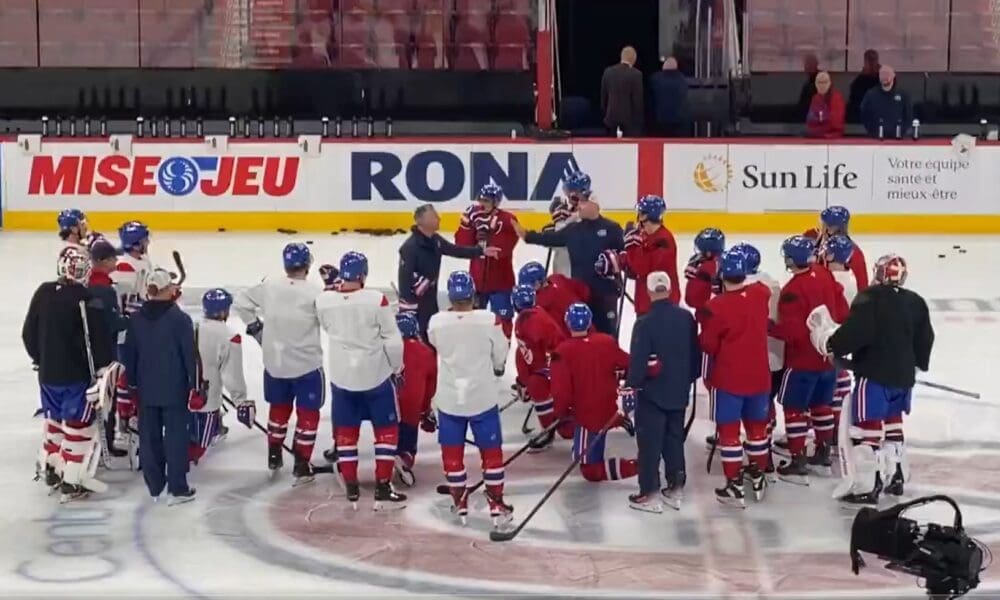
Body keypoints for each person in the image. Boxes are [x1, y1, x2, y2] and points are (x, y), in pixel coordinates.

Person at [809, 254, 934, 505]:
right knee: (893, 423)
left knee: (869, 428)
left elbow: (855, 333)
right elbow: (926, 338)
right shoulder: (915, 301)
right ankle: (895, 475)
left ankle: (869, 484)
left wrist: (832, 344)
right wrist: (917, 364)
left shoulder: (870, 299)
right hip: (903, 377)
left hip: (874, 375)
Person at [316, 251, 406, 509]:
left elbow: (327, 325)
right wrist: (397, 368)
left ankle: (352, 486)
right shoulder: (376, 300)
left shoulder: (324, 301)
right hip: (375, 375)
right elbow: (392, 339)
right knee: (386, 432)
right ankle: (382, 486)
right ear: (364, 274)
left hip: (343, 376)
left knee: (346, 432)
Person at [23, 247, 114, 501]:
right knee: (78, 427)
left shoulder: (43, 292)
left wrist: (40, 359)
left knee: (53, 421)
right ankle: (71, 479)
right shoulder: (86, 299)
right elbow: (97, 341)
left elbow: (28, 333)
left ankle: (51, 467)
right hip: (76, 378)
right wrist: (102, 367)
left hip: (47, 375)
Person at [233, 243, 324, 485]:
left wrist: (255, 327)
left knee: (279, 410)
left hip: (275, 363)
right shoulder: (315, 292)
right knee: (308, 415)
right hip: (306, 365)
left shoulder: (269, 286)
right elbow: (331, 320)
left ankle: (274, 455)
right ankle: (302, 464)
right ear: (308, 265)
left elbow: (241, 301)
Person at [428, 271, 512, 528]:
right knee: (491, 453)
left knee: (452, 453)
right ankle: (496, 503)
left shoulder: (436, 322)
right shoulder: (489, 320)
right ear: (474, 295)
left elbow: (436, 345)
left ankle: (459, 500)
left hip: (451, 398)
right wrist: (497, 367)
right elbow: (501, 351)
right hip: (482, 396)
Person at [769, 235, 848, 484]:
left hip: (802, 362)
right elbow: (844, 310)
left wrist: (766, 326)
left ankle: (797, 459)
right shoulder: (825, 275)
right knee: (822, 406)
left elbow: (792, 333)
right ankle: (823, 452)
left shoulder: (792, 290)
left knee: (794, 410)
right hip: (829, 359)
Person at [699, 251, 772, 507]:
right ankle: (758, 474)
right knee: (757, 430)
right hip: (760, 377)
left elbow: (708, 345)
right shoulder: (760, 294)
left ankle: (734, 485)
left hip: (729, 380)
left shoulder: (714, 307)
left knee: (729, 433)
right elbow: (760, 286)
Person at [624, 272, 699, 513]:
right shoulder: (687, 318)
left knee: (649, 444)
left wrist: (631, 385)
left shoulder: (644, 323)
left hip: (652, 394)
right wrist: (688, 379)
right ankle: (676, 487)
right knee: (674, 439)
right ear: (669, 289)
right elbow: (695, 355)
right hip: (679, 390)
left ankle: (650, 492)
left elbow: (638, 362)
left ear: (648, 291)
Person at [121, 268, 196, 505]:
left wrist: (132, 383)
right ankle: (177, 488)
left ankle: (155, 486)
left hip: (145, 388)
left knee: (149, 438)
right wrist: (194, 386)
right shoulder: (180, 320)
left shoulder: (135, 319)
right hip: (175, 389)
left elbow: (128, 354)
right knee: (175, 437)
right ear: (166, 290)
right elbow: (190, 357)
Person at [514, 181, 625, 336]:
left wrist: (616, 264)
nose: (579, 206)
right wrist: (527, 236)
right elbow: (550, 238)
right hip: (580, 295)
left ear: (595, 205)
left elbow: (624, 258)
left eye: (584, 202)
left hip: (606, 294)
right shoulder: (573, 229)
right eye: (579, 202)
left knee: (608, 336)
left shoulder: (612, 229)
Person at [551, 303, 637, 484]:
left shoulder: (562, 352)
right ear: (590, 322)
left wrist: (561, 413)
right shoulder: (606, 341)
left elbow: (561, 393)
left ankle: (639, 467)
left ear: (567, 323)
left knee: (589, 470)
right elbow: (629, 363)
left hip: (586, 418)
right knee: (584, 450)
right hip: (609, 411)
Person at [397, 204, 500, 339]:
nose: (439, 218)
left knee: (431, 338)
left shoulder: (434, 240)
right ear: (422, 221)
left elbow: (454, 249)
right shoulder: (409, 248)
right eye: (434, 216)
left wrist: (480, 251)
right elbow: (405, 281)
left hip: (429, 302)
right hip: (415, 308)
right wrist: (409, 311)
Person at [732, 242, 783, 473]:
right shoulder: (772, 282)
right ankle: (765, 447)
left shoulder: (741, 289)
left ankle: (762, 452)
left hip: (752, 359)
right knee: (766, 406)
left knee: (752, 412)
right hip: (776, 356)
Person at [190, 289, 251, 466]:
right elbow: (232, 374)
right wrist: (240, 401)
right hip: (207, 398)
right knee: (199, 444)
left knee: (183, 431)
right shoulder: (230, 336)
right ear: (225, 310)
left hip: (183, 394)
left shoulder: (191, 327)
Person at [454, 183, 519, 338]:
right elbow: (461, 246)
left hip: (501, 282)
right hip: (477, 281)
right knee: (474, 322)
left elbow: (501, 250)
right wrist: (466, 226)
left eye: (487, 201)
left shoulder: (508, 220)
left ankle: (502, 352)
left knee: (503, 322)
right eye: (480, 200)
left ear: (496, 202)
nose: (482, 204)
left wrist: (489, 235)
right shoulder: (474, 217)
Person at [111, 221, 154, 449]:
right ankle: (123, 423)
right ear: (137, 243)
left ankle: (133, 415)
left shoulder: (140, 260)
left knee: (136, 374)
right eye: (145, 239)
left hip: (138, 330)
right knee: (125, 377)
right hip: (125, 333)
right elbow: (125, 306)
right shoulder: (124, 268)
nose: (148, 242)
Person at [511, 284, 567, 450]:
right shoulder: (530, 318)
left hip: (560, 364)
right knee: (534, 383)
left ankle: (549, 430)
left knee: (537, 385)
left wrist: (534, 380)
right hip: (552, 363)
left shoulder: (529, 321)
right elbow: (525, 354)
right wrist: (523, 381)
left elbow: (556, 351)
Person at [393, 312, 437, 487]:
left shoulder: (384, 349)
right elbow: (430, 387)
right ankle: (404, 457)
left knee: (387, 434)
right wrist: (425, 411)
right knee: (408, 440)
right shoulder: (426, 352)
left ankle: (387, 453)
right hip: (412, 405)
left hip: (388, 403)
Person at [822, 236, 859, 446]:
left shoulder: (831, 279)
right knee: (841, 376)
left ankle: (833, 425)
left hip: (832, 333)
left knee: (831, 381)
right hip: (848, 333)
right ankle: (839, 424)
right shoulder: (850, 275)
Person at [622, 195, 681, 314]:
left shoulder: (663, 241)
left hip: (659, 305)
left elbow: (641, 268)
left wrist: (631, 247)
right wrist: (620, 260)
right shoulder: (645, 235)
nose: (638, 217)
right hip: (646, 302)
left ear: (647, 216)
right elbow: (635, 269)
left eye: (641, 213)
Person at [518, 260, 590, 338]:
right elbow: (585, 291)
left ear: (537, 283)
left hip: (569, 342)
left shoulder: (537, 303)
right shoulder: (557, 278)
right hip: (589, 329)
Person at [804, 205, 869, 290]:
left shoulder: (853, 253)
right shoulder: (812, 236)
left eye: (824, 223)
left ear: (832, 228)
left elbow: (862, 284)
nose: (821, 226)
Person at [546, 174, 587, 277]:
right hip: (563, 269)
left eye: (570, 191)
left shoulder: (587, 215)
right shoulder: (570, 212)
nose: (568, 195)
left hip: (574, 274)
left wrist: (558, 224)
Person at [600, 45, 644, 136]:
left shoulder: (608, 72)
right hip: (629, 122)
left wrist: (605, 112)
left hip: (610, 119)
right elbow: (637, 101)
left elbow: (603, 96)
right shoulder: (636, 75)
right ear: (634, 59)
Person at [860, 64, 912, 139]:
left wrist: (901, 131)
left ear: (893, 75)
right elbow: (864, 114)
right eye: (882, 74)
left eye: (887, 74)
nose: (884, 76)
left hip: (898, 139)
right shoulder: (870, 95)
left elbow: (908, 116)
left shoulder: (903, 95)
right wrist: (872, 130)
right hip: (875, 139)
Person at [684, 227, 725, 317]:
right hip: (705, 309)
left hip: (709, 311)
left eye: (701, 250)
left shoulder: (713, 266)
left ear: (709, 253)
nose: (699, 253)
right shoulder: (720, 263)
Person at [649, 56, 690, 137]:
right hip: (679, 120)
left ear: (664, 66)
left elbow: (651, 100)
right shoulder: (682, 79)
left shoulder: (655, 78)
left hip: (660, 120)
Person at [806, 71, 845, 138]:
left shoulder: (837, 98)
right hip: (816, 134)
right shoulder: (815, 98)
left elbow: (836, 123)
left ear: (830, 84)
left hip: (833, 136)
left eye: (824, 82)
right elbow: (810, 121)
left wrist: (822, 119)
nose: (822, 85)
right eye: (819, 82)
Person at [848, 49, 880, 123]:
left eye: (873, 59)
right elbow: (854, 98)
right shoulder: (859, 81)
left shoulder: (882, 78)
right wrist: (863, 76)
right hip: (861, 110)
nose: (871, 62)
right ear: (865, 62)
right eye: (869, 60)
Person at [797, 53, 820, 120]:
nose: (806, 66)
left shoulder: (818, 81)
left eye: (808, 64)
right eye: (806, 64)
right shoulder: (809, 83)